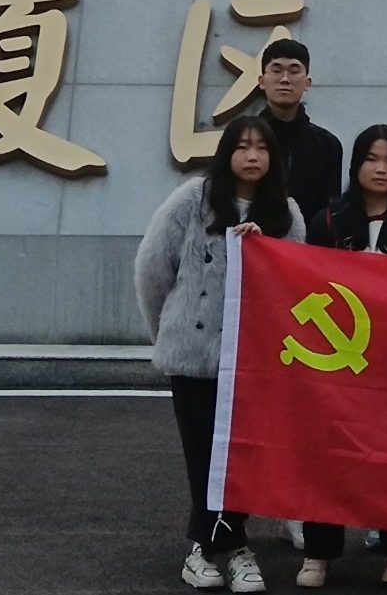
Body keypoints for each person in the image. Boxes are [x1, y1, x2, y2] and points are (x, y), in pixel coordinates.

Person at [137, 114, 304, 593]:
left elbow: (296, 284)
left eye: (262, 148)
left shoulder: (286, 213)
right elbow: (152, 270)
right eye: (242, 147)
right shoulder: (193, 199)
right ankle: (226, 547)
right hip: (194, 354)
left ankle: (212, 546)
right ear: (226, 153)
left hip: (253, 358)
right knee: (203, 454)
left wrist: (265, 248)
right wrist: (167, 333)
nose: (252, 157)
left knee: (238, 457)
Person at [300, 124, 387, 590]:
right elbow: (305, 283)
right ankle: (319, 552)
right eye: (370, 159)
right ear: (355, 165)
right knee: (329, 455)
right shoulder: (328, 221)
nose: (380, 169)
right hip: (339, 360)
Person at [260, 38, 346, 231]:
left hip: (307, 245)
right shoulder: (244, 139)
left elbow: (329, 212)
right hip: (254, 241)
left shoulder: (327, 144)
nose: (285, 79)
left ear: (307, 82)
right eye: (276, 70)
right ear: (261, 81)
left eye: (294, 71)